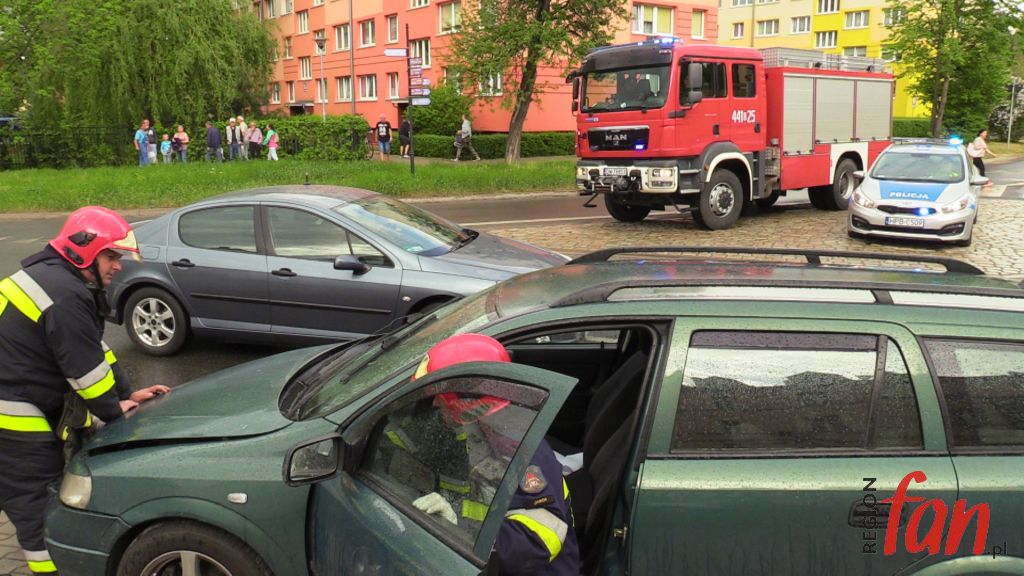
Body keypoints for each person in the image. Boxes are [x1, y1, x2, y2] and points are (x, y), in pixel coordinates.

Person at [0, 207, 170, 576]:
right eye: (111, 256)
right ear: (84, 252)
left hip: (17, 399)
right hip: (12, 415)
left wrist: (127, 394)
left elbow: (96, 352)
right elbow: (87, 375)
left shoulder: (57, 281)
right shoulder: (65, 294)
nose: (117, 266)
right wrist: (113, 411)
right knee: (36, 507)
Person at [407, 334, 579, 576]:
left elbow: (539, 542)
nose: (435, 403)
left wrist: (461, 531)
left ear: (467, 398)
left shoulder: (524, 452)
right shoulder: (478, 427)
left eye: (442, 395)